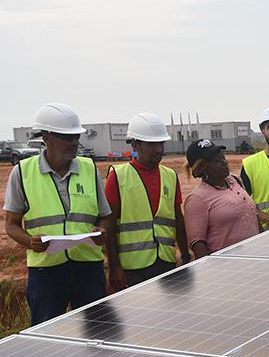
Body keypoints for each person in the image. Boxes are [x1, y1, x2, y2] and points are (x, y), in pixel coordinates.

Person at [3, 102, 110, 325]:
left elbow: (105, 214)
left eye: (76, 137)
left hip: (88, 268)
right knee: (47, 337)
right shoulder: (23, 172)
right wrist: (30, 241)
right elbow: (11, 225)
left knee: (97, 333)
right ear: (46, 137)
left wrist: (102, 230)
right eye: (66, 137)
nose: (74, 143)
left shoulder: (89, 169)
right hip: (46, 271)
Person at [105, 113, 190, 291]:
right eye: (152, 144)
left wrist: (184, 254)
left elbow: (177, 217)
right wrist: (114, 267)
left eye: (161, 144)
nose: (159, 149)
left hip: (165, 261)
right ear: (135, 144)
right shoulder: (118, 177)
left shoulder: (170, 176)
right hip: (132, 268)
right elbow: (109, 226)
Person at [183, 139, 259, 257]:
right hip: (226, 267)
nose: (224, 162)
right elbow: (198, 244)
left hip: (255, 257)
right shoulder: (197, 199)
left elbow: (252, 217)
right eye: (217, 161)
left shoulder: (235, 181)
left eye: (223, 157)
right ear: (203, 168)